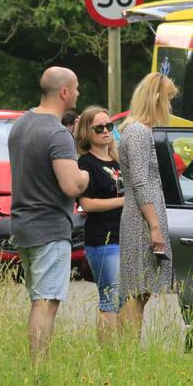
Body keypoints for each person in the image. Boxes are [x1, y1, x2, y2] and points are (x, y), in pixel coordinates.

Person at [8, 67, 89, 360]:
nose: (78, 93)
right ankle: (38, 366)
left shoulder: (21, 124)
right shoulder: (57, 133)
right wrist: (86, 176)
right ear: (64, 92)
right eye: (76, 88)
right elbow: (71, 184)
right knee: (46, 302)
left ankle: (36, 364)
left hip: (23, 224)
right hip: (50, 227)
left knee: (37, 297)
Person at [119, 73, 177, 333]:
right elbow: (141, 182)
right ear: (155, 99)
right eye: (168, 100)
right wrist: (154, 226)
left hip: (142, 215)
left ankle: (123, 351)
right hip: (142, 219)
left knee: (141, 292)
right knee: (137, 291)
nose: (170, 107)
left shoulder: (137, 131)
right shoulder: (139, 132)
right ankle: (125, 353)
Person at [74, 106, 124, 342]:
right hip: (103, 239)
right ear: (87, 132)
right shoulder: (85, 163)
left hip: (124, 236)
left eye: (109, 126)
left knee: (125, 299)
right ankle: (108, 354)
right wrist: (121, 201)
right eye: (99, 128)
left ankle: (124, 353)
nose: (106, 131)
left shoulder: (117, 160)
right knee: (110, 300)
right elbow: (86, 204)